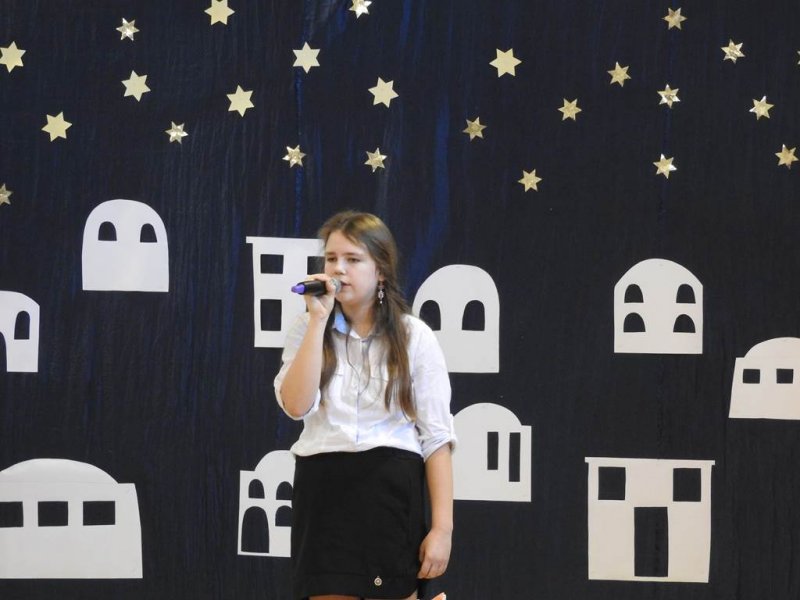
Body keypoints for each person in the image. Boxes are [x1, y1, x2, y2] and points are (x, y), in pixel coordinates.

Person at [274, 210, 456, 600]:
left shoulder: (414, 336)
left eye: (353, 259)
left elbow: (437, 439)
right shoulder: (306, 328)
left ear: (381, 271)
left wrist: (442, 529)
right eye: (331, 258)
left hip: (389, 490)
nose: (338, 269)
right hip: (324, 491)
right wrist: (317, 321)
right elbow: (295, 405)